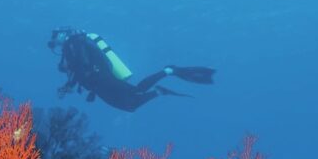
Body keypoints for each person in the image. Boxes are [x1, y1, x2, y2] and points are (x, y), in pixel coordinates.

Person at [48, 28, 215, 112]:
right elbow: (79, 69)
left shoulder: (73, 43)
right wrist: (68, 84)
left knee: (136, 91)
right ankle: (158, 91)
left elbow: (82, 64)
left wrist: (70, 80)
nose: (55, 43)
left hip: (102, 79)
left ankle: (167, 71)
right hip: (97, 86)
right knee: (129, 106)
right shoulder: (69, 50)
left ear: (62, 35)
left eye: (55, 38)